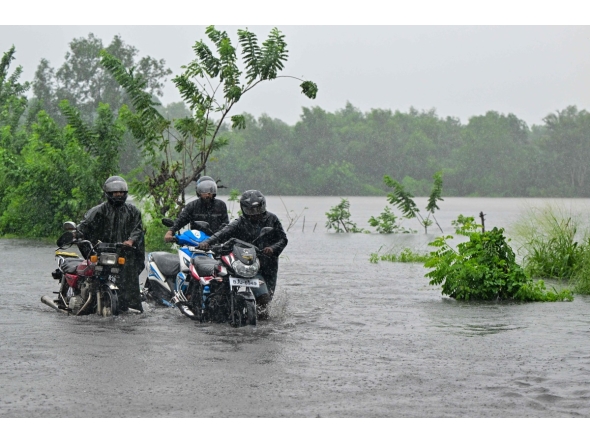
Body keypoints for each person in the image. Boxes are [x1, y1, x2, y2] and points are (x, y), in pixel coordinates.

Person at [197, 190, 287, 319]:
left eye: (258, 208)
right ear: (244, 209)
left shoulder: (272, 219)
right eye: (251, 210)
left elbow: (283, 239)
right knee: (225, 284)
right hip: (246, 261)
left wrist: (272, 248)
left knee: (266, 300)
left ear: (263, 205)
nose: (255, 213)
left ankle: (262, 327)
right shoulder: (239, 222)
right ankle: (222, 309)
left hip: (268, 263)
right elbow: (222, 233)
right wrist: (207, 242)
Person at [76, 176, 145, 312]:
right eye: (115, 192)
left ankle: (131, 307)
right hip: (102, 251)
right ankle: (88, 300)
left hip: (124, 253)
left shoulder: (133, 211)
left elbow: (138, 230)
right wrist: (75, 234)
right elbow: (83, 227)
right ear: (108, 193)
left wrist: (130, 241)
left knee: (130, 282)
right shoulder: (98, 211)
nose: (118, 195)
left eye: (121, 192)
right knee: (94, 275)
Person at [164, 176, 229, 243]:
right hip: (195, 242)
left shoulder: (221, 205)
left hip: (216, 242)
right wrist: (170, 231)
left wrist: (216, 237)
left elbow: (225, 225)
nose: (208, 194)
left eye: (210, 190)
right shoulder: (192, 206)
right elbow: (181, 220)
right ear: (199, 192)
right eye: (204, 190)